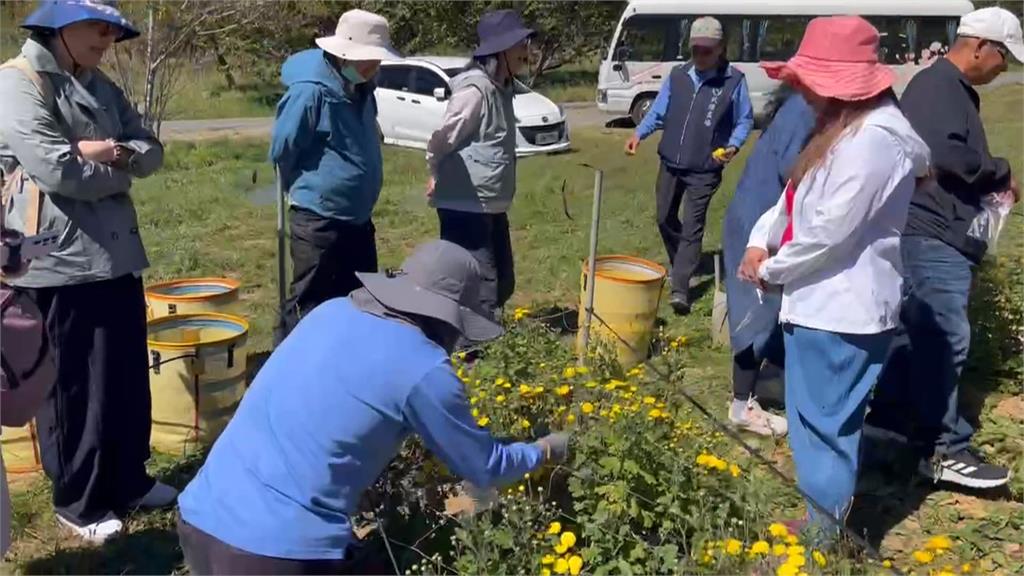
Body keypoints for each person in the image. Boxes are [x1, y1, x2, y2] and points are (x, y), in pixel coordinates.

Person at [177, 240, 569, 575]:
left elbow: (324, 414)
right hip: (277, 553)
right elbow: (484, 467)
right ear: (448, 319)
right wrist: (547, 449)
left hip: (200, 518)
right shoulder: (423, 367)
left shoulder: (331, 312)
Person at [738, 16, 929, 532]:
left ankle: (822, 542)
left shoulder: (875, 141)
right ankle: (821, 517)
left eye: (809, 81)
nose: (802, 92)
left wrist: (771, 270)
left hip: (842, 309)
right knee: (812, 427)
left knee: (824, 433)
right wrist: (760, 241)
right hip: (817, 300)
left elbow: (830, 231)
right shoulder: (841, 128)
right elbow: (794, 197)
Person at [0, 0, 172, 543]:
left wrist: (111, 152)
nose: (105, 42)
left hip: (115, 255)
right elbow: (58, 169)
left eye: (109, 35)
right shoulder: (18, 82)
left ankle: (128, 478)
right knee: (74, 387)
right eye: (96, 33)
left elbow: (150, 150)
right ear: (60, 28)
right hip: (58, 262)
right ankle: (79, 500)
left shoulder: (99, 84)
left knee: (123, 376)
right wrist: (116, 167)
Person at [866, 7, 1023, 490]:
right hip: (930, 230)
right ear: (979, 47)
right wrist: (999, 171)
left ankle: (886, 432)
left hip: (933, 228)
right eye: (1004, 59)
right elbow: (943, 152)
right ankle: (942, 449)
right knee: (945, 335)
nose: (1004, 69)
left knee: (915, 335)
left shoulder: (951, 89)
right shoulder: (938, 88)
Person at [270, 9, 400, 344]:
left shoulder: (364, 88)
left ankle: (345, 366)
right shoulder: (311, 92)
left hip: (357, 218)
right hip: (319, 221)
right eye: (369, 60)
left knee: (360, 298)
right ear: (344, 56)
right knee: (310, 303)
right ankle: (292, 368)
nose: (375, 67)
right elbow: (283, 148)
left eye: (377, 60)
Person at [625, 16, 754, 315]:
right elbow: (659, 111)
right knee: (663, 217)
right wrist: (638, 134)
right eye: (696, 50)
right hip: (671, 160)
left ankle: (680, 287)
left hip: (705, 167)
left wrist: (733, 145)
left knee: (693, 225)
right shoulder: (679, 75)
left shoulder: (733, 81)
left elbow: (745, 119)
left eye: (707, 51)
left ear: (721, 49)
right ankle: (683, 260)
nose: (700, 56)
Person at [426, 9, 534, 322]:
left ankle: (479, 334)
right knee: (479, 283)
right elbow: (441, 140)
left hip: (490, 203)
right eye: (520, 45)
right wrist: (434, 173)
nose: (526, 52)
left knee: (502, 281)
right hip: (465, 204)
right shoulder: (475, 91)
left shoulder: (502, 87)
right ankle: (470, 350)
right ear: (501, 51)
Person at [721, 86, 815, 437]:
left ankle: (771, 378)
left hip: (762, 216)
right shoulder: (806, 109)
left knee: (774, 307)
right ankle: (741, 405)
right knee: (755, 311)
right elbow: (796, 170)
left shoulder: (801, 104)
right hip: (760, 224)